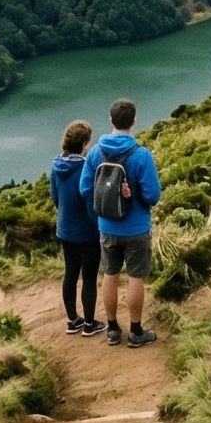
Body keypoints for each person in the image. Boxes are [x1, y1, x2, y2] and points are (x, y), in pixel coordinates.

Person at [77, 97, 159, 347]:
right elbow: (153, 196)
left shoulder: (95, 152)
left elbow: (84, 189)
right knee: (136, 277)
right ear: (134, 122)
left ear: (111, 121)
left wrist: (105, 202)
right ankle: (136, 332)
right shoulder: (141, 155)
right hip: (136, 227)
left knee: (110, 275)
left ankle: (112, 329)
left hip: (107, 226)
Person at [51, 120, 102, 336]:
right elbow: (90, 200)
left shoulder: (56, 166)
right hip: (88, 230)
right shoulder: (86, 167)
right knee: (89, 277)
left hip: (65, 229)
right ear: (83, 143)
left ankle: (72, 321)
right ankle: (89, 324)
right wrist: (98, 224)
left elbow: (55, 197)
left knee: (70, 273)